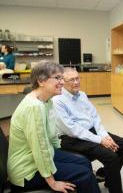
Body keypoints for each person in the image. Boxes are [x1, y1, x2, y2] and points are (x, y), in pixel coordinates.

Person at [7, 61, 100, 193]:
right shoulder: (34, 107)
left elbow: (50, 136)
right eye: (57, 78)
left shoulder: (46, 101)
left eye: (61, 78)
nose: (62, 82)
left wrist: (62, 156)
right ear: (41, 81)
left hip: (42, 155)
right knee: (84, 174)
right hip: (26, 170)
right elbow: (40, 148)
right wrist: (53, 182)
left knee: (84, 162)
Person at [52, 67, 123, 193]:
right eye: (72, 79)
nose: (76, 82)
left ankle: (105, 175)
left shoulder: (82, 94)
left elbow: (94, 117)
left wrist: (104, 135)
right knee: (111, 156)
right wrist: (100, 140)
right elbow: (73, 129)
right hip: (72, 139)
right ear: (62, 81)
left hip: (90, 132)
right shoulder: (57, 100)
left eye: (77, 78)